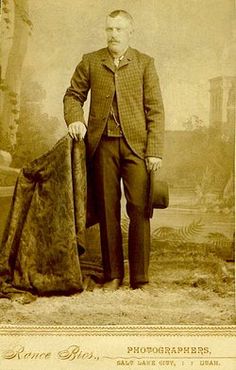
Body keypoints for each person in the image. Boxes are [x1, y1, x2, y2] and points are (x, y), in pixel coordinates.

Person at [63, 9, 165, 291]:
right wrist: (75, 118)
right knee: (108, 211)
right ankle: (112, 276)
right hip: (102, 146)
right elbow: (73, 95)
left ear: (130, 32)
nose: (113, 34)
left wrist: (154, 150)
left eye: (119, 29)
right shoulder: (91, 61)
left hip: (137, 148)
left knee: (139, 209)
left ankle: (140, 278)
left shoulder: (145, 63)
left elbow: (155, 109)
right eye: (109, 29)